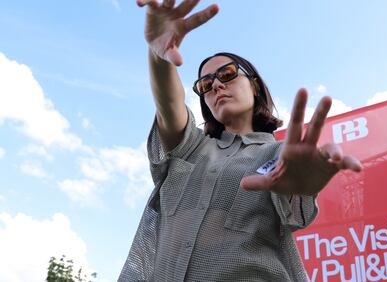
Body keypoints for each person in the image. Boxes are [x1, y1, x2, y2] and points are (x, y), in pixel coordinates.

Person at [119, 1, 362, 281]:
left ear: (254, 84)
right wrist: (158, 55)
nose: (217, 86)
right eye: (205, 85)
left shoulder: (278, 154)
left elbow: (295, 202)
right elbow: (169, 104)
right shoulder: (189, 148)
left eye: (227, 74)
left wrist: (300, 188)